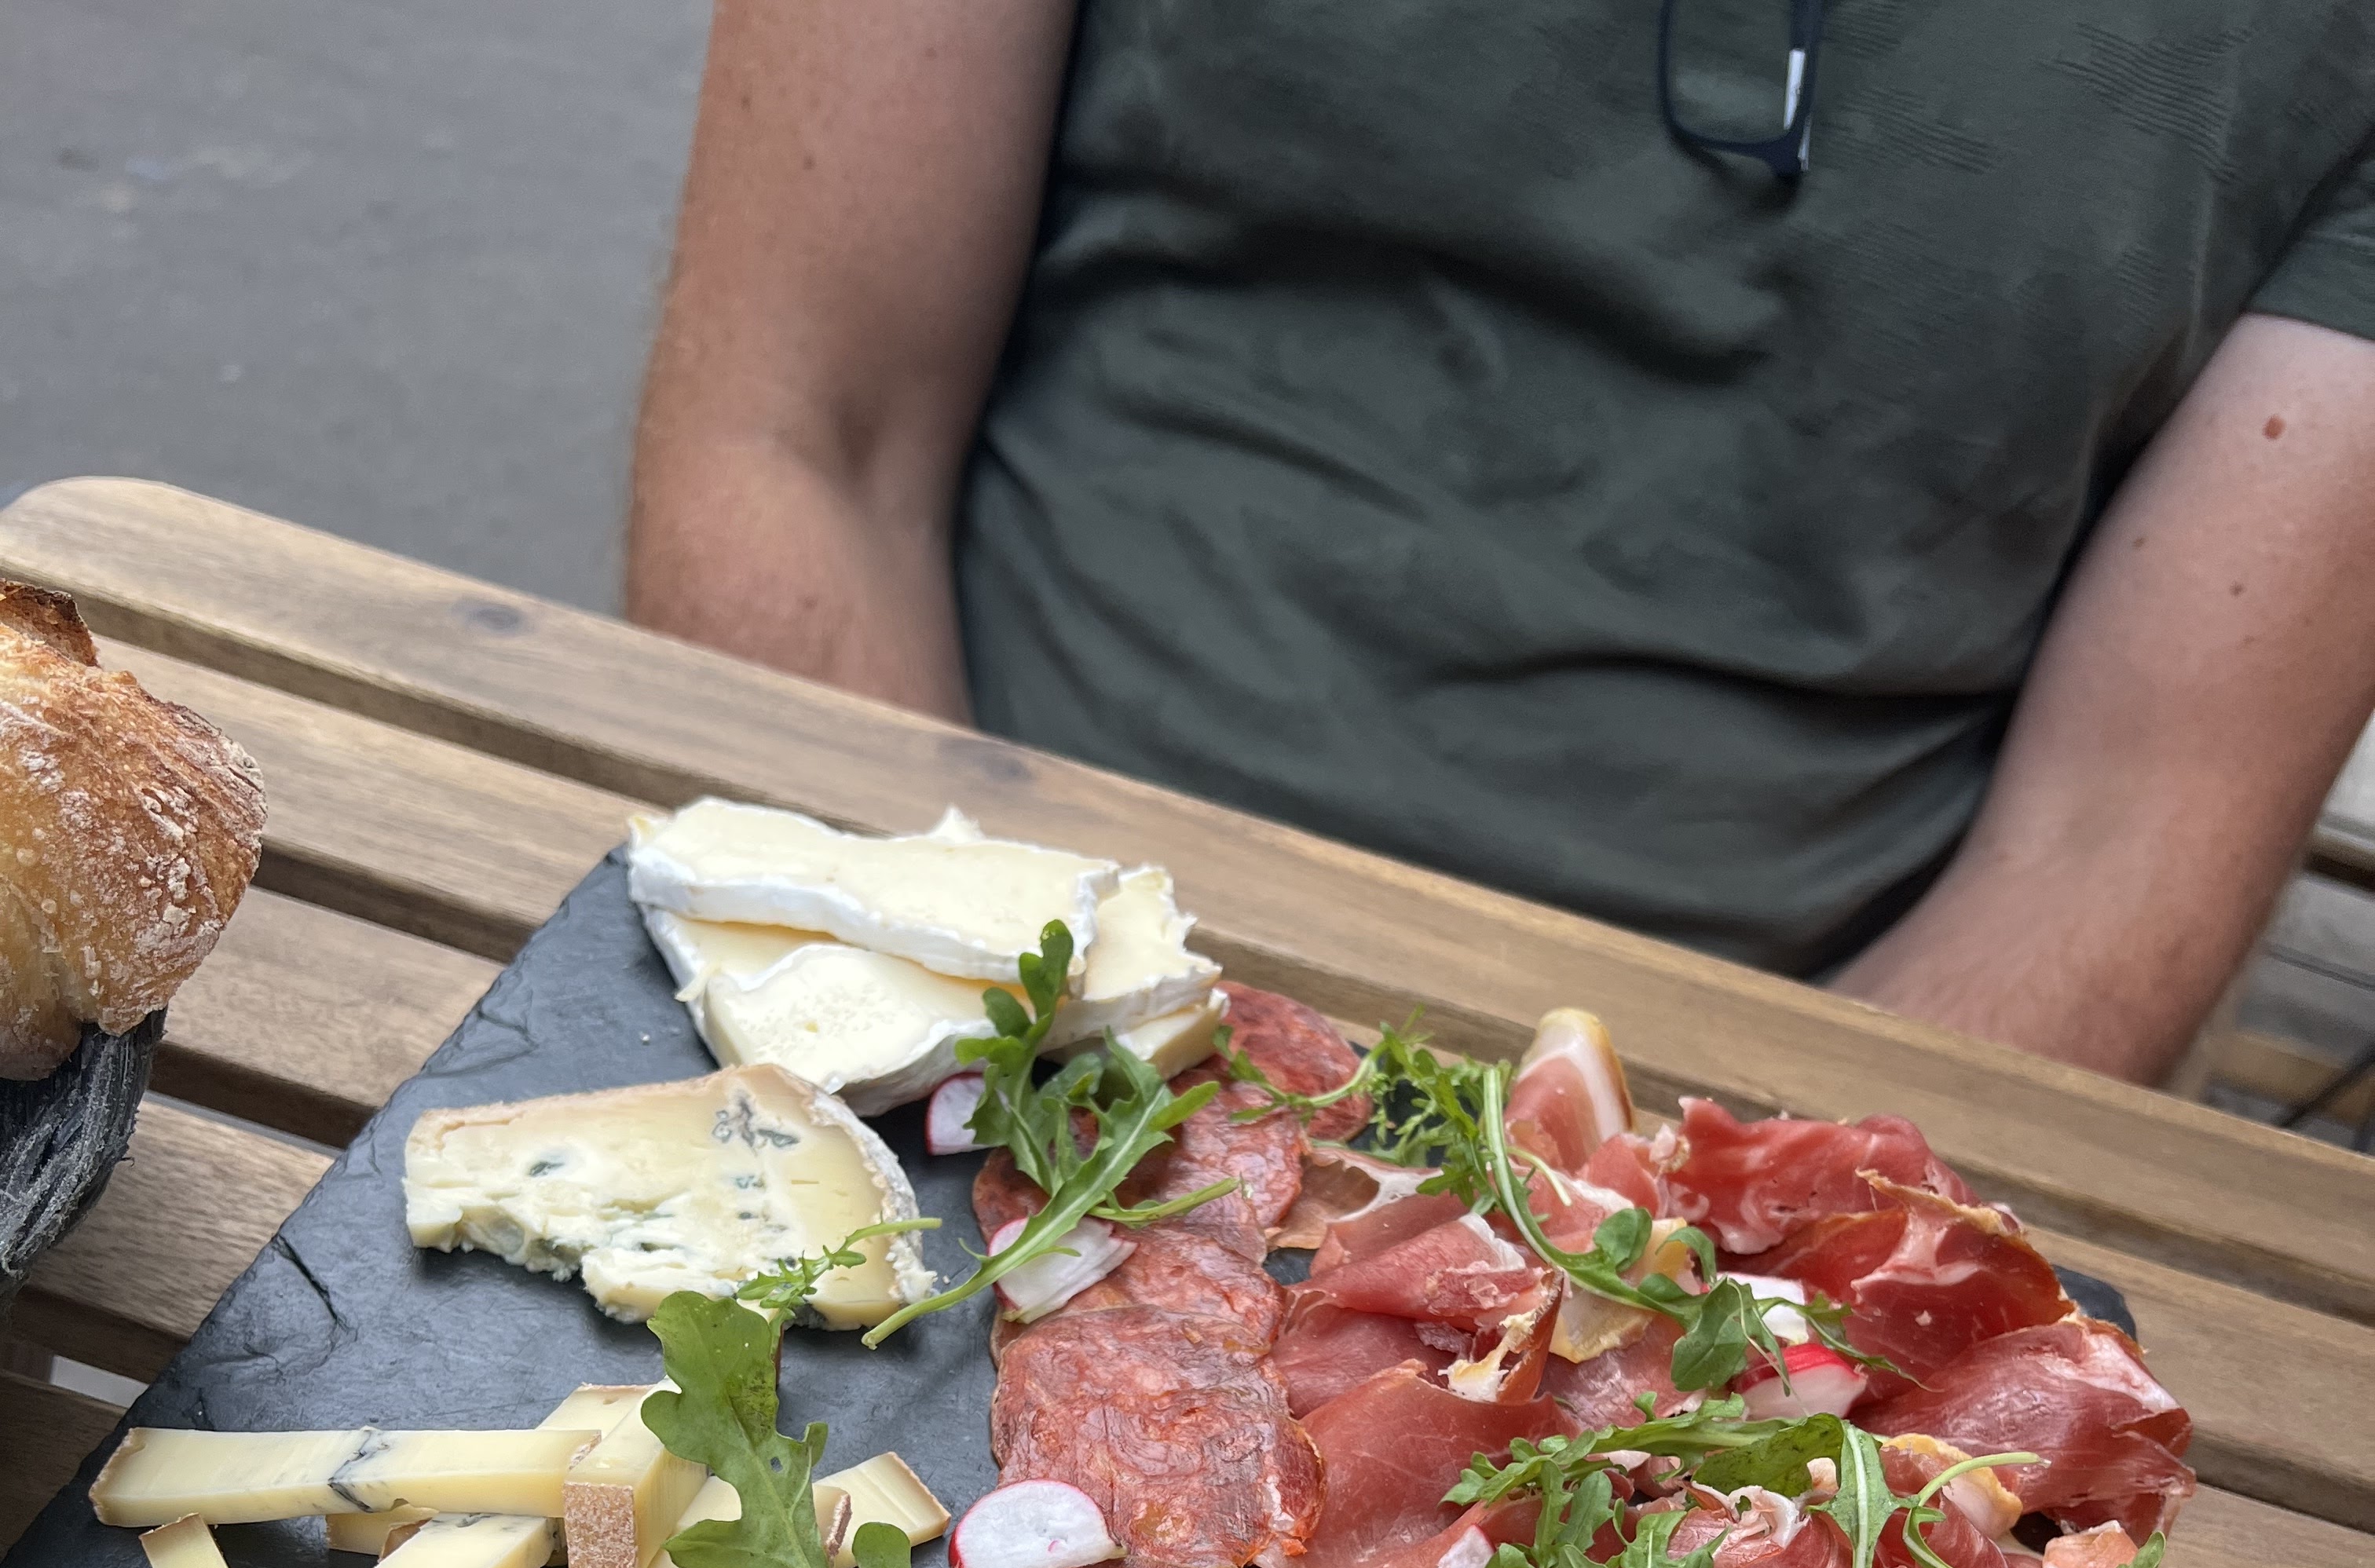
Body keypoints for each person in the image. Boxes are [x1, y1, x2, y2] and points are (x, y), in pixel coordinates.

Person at [628, 2, 2375, 1087]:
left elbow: (2124, 835)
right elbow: (794, 448)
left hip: (1755, 1107)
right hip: (948, 925)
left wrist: (1693, 1266)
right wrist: (941, 1055)